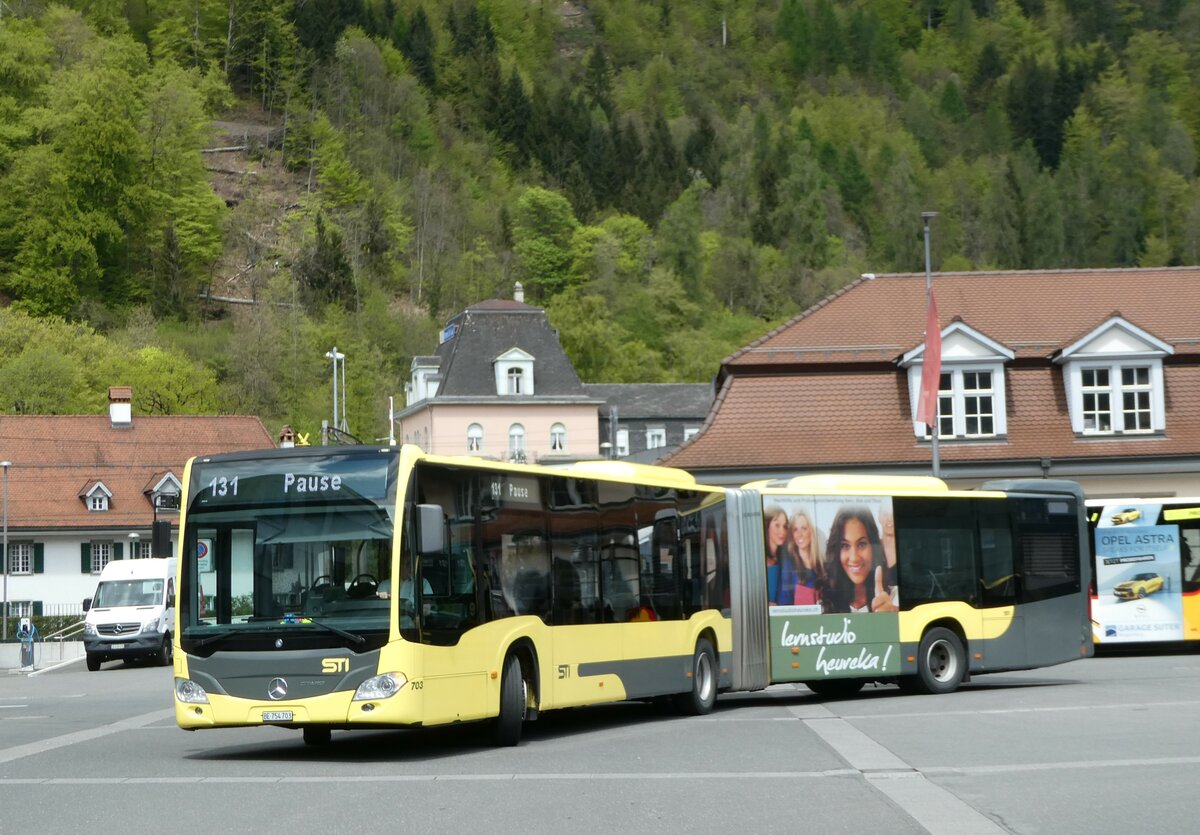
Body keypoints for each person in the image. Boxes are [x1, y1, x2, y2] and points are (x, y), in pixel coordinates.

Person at [818, 506, 898, 614]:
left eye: (861, 544)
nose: (854, 558)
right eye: (845, 545)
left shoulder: (893, 598)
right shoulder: (823, 603)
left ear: (873, 547)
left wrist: (892, 616)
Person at [784, 509, 822, 606]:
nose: (799, 534)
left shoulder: (821, 564)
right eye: (795, 529)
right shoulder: (789, 565)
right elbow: (784, 603)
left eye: (804, 528)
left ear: (811, 532)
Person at [763, 505, 789, 605]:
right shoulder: (757, 560)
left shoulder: (786, 559)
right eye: (777, 525)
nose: (782, 531)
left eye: (785, 526)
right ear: (767, 526)